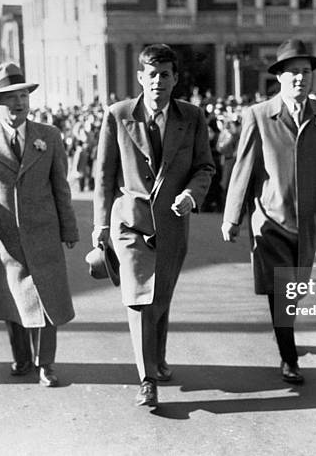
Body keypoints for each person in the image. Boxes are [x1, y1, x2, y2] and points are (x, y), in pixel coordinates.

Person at [92, 44, 215, 406]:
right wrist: (100, 225)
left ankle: (157, 360)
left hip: (174, 223)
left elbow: (205, 167)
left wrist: (191, 195)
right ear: (140, 77)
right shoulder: (117, 115)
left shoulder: (191, 117)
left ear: (176, 78)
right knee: (139, 300)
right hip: (129, 223)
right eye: (152, 74)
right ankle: (147, 380)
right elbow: (104, 174)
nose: (158, 81)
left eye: (165, 74)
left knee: (160, 298)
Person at [222, 39, 316, 384]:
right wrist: (232, 216)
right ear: (279, 77)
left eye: (305, 72)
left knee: (295, 289)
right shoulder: (259, 115)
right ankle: (289, 357)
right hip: (271, 219)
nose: (299, 78)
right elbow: (243, 168)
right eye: (292, 72)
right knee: (283, 289)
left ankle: (286, 336)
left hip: (307, 222)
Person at [0, 62, 79, 387]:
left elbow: (60, 185)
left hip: (43, 232)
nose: (18, 103)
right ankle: (22, 356)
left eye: (22, 96)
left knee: (47, 298)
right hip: (2, 236)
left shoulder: (48, 136)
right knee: (12, 300)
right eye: (9, 98)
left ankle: (46, 364)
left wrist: (69, 228)